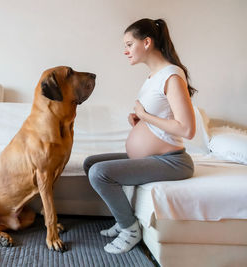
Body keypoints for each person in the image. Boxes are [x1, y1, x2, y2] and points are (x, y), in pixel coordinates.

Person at [83, 18, 197, 254]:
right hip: (155, 158)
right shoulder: (152, 77)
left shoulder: (171, 76)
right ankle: (123, 217)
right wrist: (137, 119)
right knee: (91, 163)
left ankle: (130, 229)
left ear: (146, 42)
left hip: (172, 161)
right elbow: (157, 118)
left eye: (129, 44)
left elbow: (187, 129)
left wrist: (144, 116)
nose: (125, 51)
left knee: (99, 172)